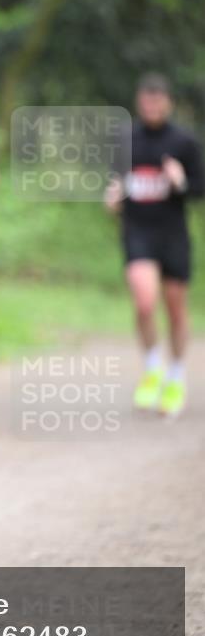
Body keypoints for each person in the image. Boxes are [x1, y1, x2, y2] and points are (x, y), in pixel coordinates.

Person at [105, 73, 204, 416]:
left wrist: (181, 182)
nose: (151, 107)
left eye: (157, 101)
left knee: (175, 308)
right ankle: (152, 367)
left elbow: (199, 189)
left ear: (168, 103)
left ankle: (176, 376)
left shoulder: (185, 142)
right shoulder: (126, 140)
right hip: (138, 232)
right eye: (146, 101)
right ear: (139, 102)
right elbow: (114, 185)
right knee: (145, 301)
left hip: (173, 234)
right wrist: (112, 198)